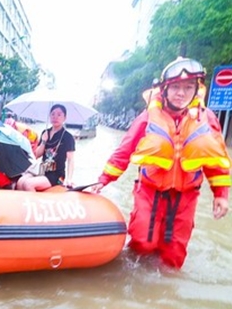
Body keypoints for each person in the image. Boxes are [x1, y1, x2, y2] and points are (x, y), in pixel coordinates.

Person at [91, 57, 231, 269]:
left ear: (197, 89)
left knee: (174, 256)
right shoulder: (148, 117)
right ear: (164, 89)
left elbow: (216, 161)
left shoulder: (207, 119)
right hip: (149, 192)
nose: (181, 93)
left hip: (186, 197)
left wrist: (221, 195)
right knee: (141, 244)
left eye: (188, 87)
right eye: (175, 87)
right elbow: (124, 151)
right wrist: (103, 180)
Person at [16, 104, 75, 191]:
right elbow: (37, 155)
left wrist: (69, 179)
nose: (55, 117)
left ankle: (34, 204)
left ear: (64, 118)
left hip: (57, 175)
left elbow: (71, 160)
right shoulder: (45, 132)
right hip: (42, 170)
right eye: (53, 114)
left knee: (28, 184)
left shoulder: (68, 137)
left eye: (59, 114)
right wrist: (43, 141)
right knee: (21, 182)